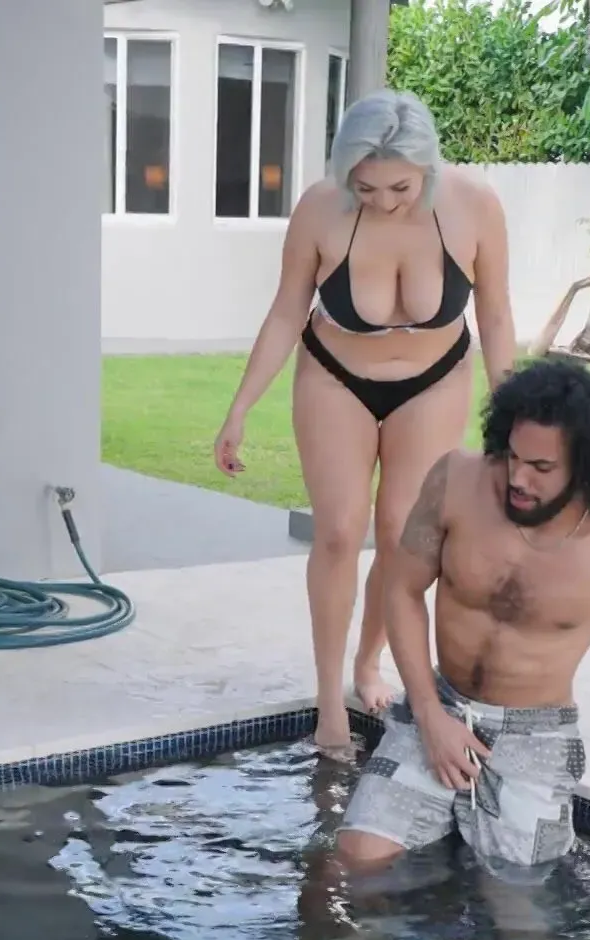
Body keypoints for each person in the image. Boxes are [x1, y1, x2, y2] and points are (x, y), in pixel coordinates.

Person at [214, 90, 520, 756]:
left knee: (402, 534)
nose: (382, 202)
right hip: (336, 376)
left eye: (400, 188)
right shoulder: (321, 210)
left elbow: (495, 315)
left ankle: (368, 662)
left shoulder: (474, 206)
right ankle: (329, 698)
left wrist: (513, 419)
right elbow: (286, 310)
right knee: (338, 531)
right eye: (366, 187)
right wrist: (240, 407)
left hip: (434, 379)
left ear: (428, 168)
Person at [332, 357, 590, 877]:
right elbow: (402, 589)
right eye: (512, 456)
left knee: (517, 901)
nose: (518, 477)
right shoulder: (456, 480)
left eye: (541, 468)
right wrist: (429, 714)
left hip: (536, 738)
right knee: (357, 862)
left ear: (588, 466)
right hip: (439, 704)